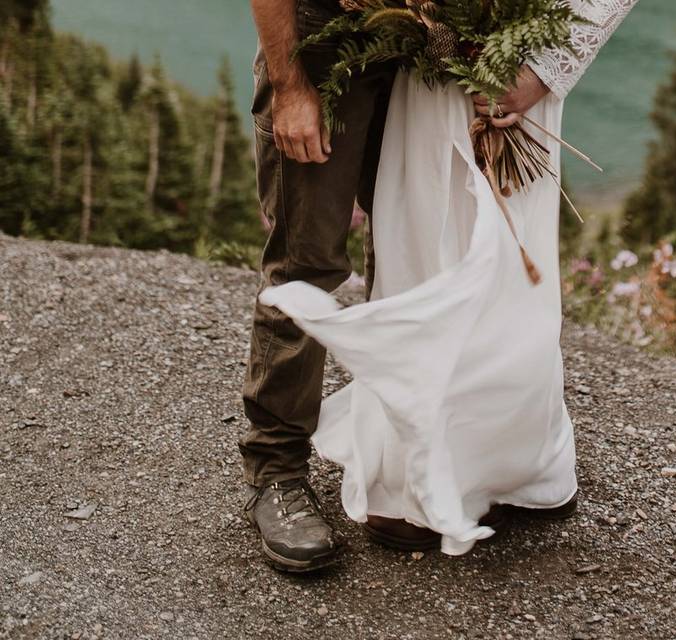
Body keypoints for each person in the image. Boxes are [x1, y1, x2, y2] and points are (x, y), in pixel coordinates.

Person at [242, 0, 638, 570]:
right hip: (323, 47)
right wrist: (289, 83)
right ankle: (275, 472)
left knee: (422, 254)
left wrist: (533, 63)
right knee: (306, 264)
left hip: (428, 62)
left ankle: (414, 463)